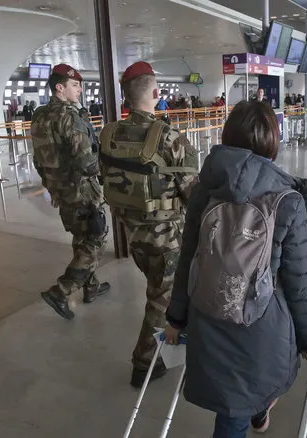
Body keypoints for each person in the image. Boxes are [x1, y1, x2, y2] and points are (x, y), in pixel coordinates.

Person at [165, 101, 307, 437]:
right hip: (262, 323)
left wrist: (176, 318)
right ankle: (259, 407)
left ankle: (256, 406)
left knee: (231, 400)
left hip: (207, 314)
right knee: (236, 412)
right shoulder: (287, 200)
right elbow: (298, 282)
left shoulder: (204, 190)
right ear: (272, 142)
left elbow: (188, 259)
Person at [98, 61, 199, 387]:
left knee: (164, 290)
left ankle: (181, 340)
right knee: (163, 297)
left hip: (133, 234)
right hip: (166, 238)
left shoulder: (109, 134)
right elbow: (193, 194)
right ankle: (144, 363)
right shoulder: (170, 138)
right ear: (156, 94)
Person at [31, 64, 110, 320]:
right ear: (59, 87)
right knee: (96, 240)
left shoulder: (39, 115)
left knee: (81, 237)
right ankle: (60, 292)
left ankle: (91, 286)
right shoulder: (70, 116)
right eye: (75, 85)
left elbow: (38, 158)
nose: (80, 90)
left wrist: (51, 185)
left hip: (60, 190)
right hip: (82, 191)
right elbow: (87, 163)